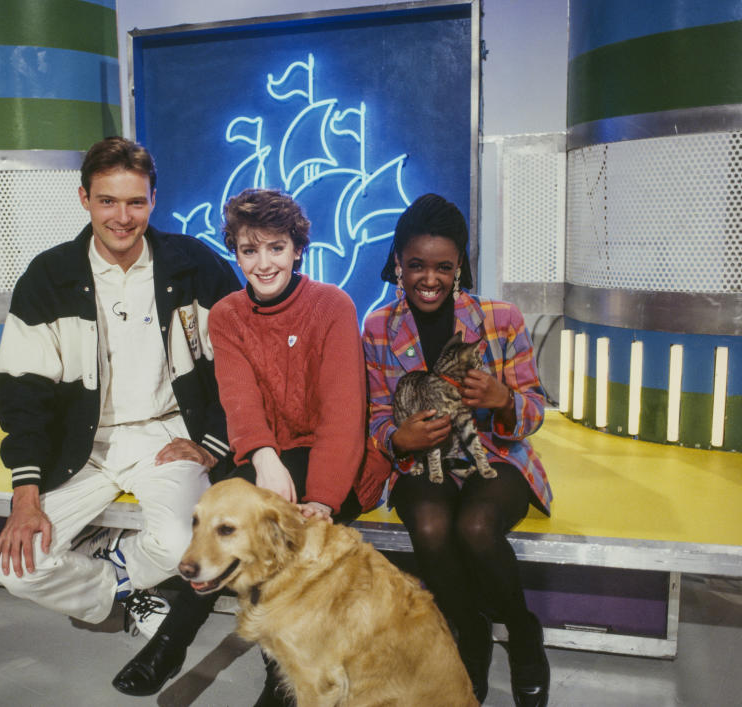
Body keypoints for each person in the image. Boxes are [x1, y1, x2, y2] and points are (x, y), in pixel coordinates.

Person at [113, 188, 387, 705]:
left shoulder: (332, 305)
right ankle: (181, 645)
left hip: (334, 463)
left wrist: (324, 499)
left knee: (269, 530)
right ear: (235, 252)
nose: (263, 264)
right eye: (249, 250)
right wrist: (263, 458)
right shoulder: (229, 314)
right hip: (264, 458)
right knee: (236, 519)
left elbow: (342, 416)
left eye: (276, 248)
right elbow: (239, 401)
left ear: (297, 250)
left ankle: (228, 661)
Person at [0, 137, 240, 641]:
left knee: (182, 549)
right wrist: (25, 494)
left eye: (135, 201)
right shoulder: (49, 276)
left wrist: (212, 443)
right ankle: (125, 581)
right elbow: (22, 394)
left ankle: (114, 566)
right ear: (83, 198)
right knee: (16, 570)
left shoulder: (194, 264)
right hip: (82, 444)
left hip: (166, 437)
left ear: (153, 200)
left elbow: (241, 365)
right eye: (107, 200)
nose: (122, 217)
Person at [362, 194, 553, 707]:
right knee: (429, 524)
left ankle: (521, 635)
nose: (430, 278)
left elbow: (533, 410)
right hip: (422, 461)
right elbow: (378, 416)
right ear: (398, 264)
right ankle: (468, 630)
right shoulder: (378, 327)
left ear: (460, 266)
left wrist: (504, 400)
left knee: (474, 526)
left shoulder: (500, 318)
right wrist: (398, 438)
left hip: (496, 454)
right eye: (416, 265)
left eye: (444, 266)